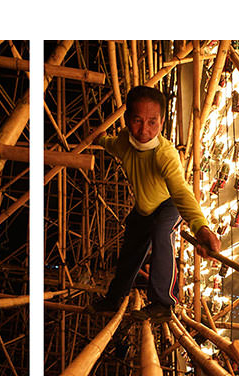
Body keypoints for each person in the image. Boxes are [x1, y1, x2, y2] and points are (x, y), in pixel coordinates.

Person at [90, 85, 220, 322]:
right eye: (138, 120)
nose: (144, 129)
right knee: (130, 253)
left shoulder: (164, 154)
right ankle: (112, 300)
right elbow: (110, 144)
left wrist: (201, 227)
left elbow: (181, 192)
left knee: (162, 234)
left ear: (161, 123)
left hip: (169, 204)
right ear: (128, 119)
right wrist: (99, 138)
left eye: (153, 122)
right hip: (143, 209)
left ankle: (163, 302)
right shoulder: (123, 143)